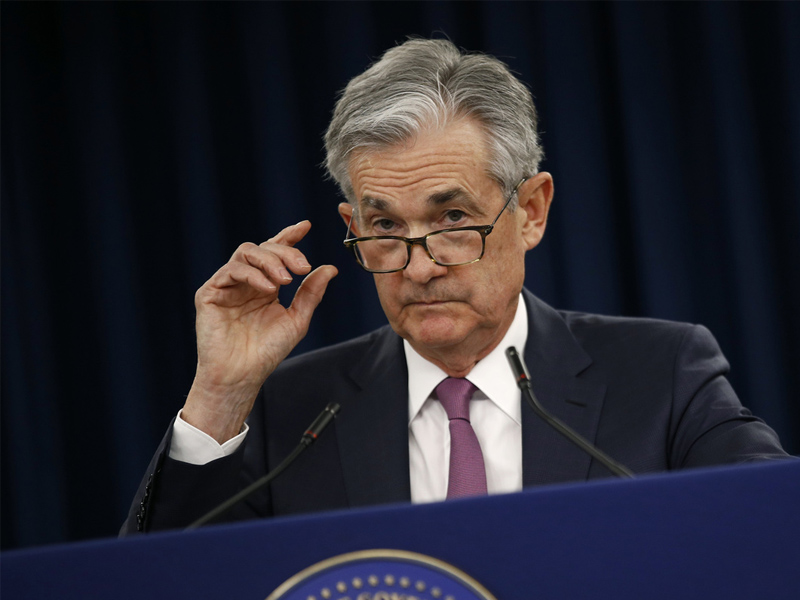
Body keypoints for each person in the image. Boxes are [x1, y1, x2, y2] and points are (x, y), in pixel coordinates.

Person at [122, 38, 788, 534]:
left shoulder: (661, 376)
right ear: (352, 227)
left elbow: (774, 531)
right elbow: (158, 584)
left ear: (531, 211)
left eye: (453, 219)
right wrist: (220, 394)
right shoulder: (289, 414)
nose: (418, 268)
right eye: (385, 226)